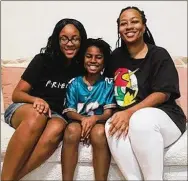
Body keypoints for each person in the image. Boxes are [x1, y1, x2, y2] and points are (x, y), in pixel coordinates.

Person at [104, 6, 187, 181]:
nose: (129, 27)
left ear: (143, 26)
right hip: (131, 117)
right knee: (111, 124)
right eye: (123, 23)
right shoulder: (115, 57)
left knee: (141, 120)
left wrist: (129, 112)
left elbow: (163, 94)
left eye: (134, 21)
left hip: (165, 118)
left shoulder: (159, 55)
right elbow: (106, 86)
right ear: (118, 28)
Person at [1, 18, 87, 181]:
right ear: (57, 39)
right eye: (64, 38)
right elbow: (17, 94)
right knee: (37, 116)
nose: (69, 43)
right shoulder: (43, 60)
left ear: (81, 41)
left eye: (75, 38)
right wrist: (35, 100)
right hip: (26, 108)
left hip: (56, 115)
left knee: (57, 126)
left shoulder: (83, 67)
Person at [61, 38, 116, 181]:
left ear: (104, 61)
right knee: (72, 130)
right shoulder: (74, 83)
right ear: (83, 58)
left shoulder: (108, 84)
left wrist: (94, 119)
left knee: (98, 132)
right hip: (77, 120)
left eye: (98, 57)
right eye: (89, 56)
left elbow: (107, 113)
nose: (93, 60)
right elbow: (70, 111)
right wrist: (84, 119)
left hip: (99, 121)